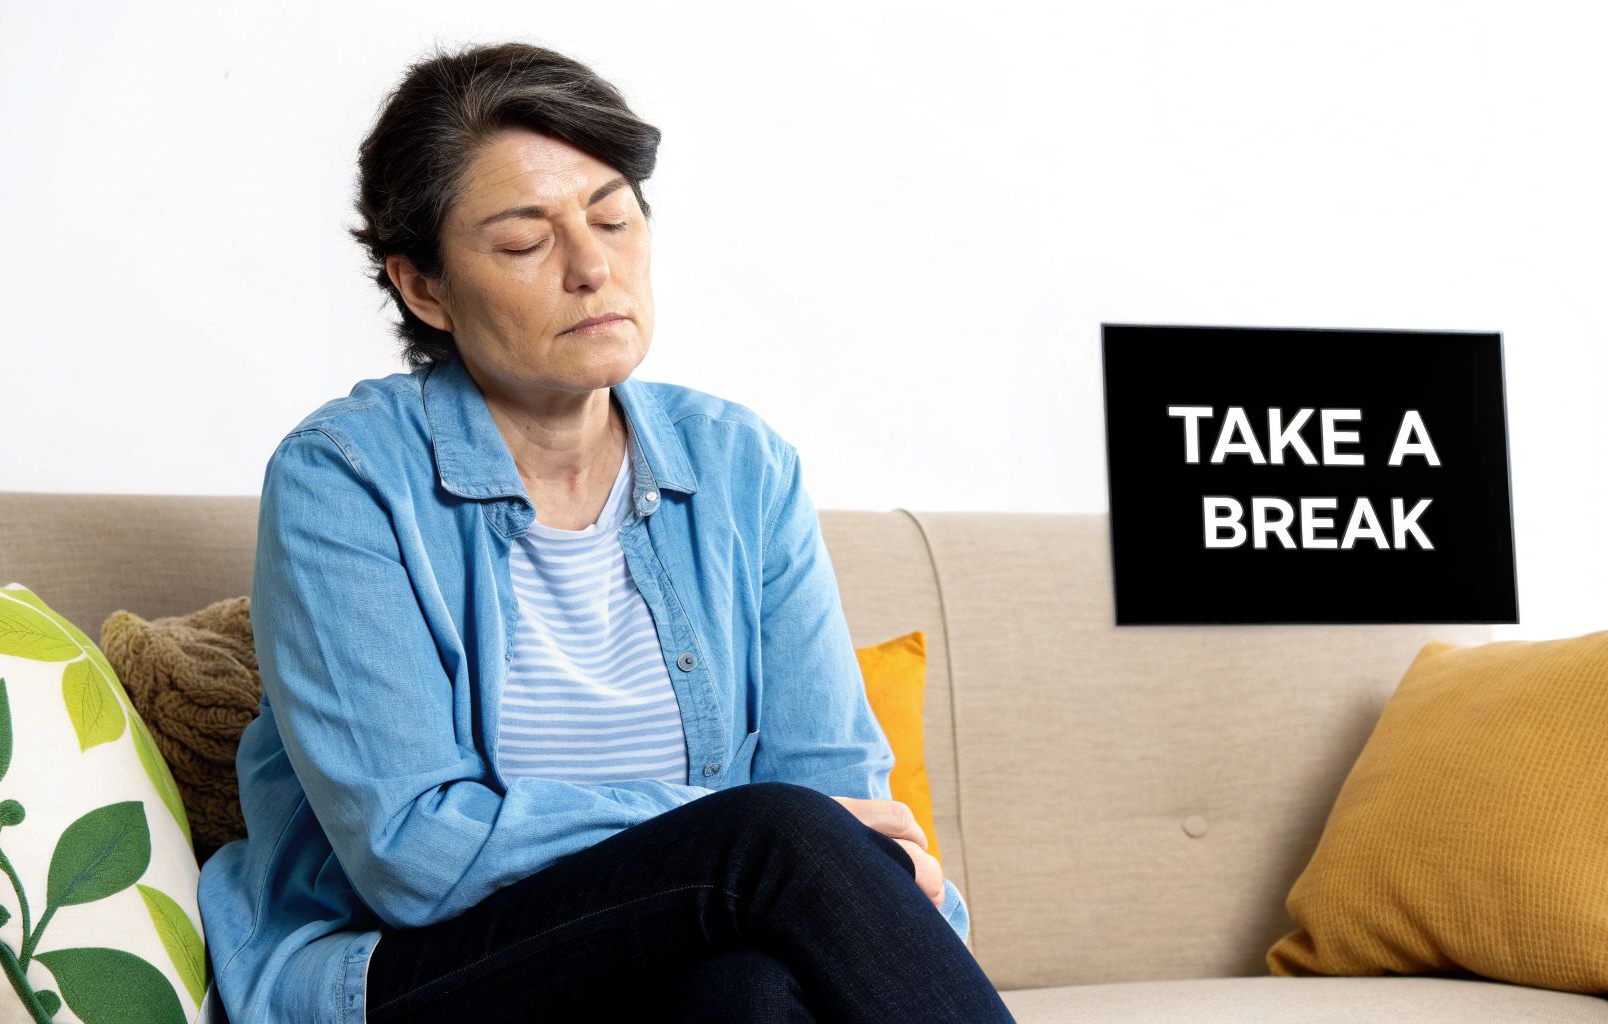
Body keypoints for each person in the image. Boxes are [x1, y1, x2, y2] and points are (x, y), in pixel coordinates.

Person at [195, 39, 1016, 1024]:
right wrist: (730, 835)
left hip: (677, 956)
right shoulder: (343, 478)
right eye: (523, 241)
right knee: (773, 840)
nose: (592, 268)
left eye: (614, 216)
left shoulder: (739, 467)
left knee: (748, 994)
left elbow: (840, 797)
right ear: (423, 287)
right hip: (420, 972)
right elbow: (413, 854)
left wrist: (778, 848)